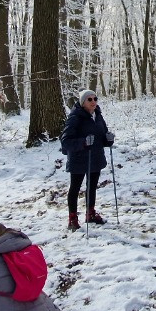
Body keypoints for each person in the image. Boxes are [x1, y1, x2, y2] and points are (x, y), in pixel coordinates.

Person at [60, 89, 115, 229]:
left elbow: (102, 136)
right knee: (75, 188)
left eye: (95, 99)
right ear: (82, 102)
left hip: (95, 157)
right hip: (79, 158)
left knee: (92, 186)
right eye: (89, 99)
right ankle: (72, 219)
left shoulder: (98, 116)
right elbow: (65, 141)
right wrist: (83, 142)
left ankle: (90, 214)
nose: (93, 102)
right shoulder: (75, 117)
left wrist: (108, 139)